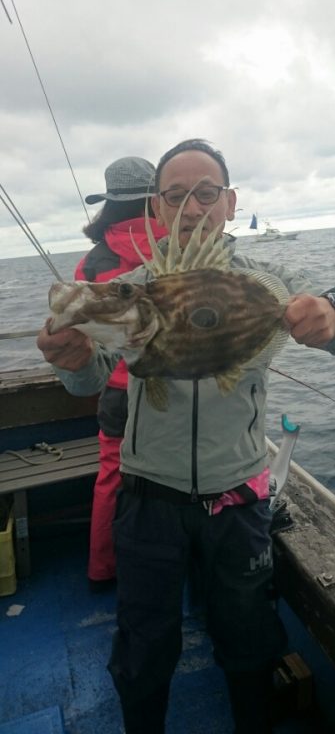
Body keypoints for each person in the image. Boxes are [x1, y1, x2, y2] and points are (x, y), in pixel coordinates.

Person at [37, 139, 335, 733]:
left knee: (248, 638)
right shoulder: (136, 286)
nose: (192, 207)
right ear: (157, 209)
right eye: (175, 195)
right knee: (143, 645)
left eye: (207, 193)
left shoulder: (266, 278)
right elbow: (85, 379)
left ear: (231, 202)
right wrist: (71, 356)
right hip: (147, 499)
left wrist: (334, 313)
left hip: (237, 496)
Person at [75, 157, 167, 591]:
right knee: (175, 481)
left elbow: (84, 337)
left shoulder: (91, 264)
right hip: (173, 385)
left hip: (116, 389)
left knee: (112, 476)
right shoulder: (176, 249)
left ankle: (102, 568)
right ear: (157, 199)